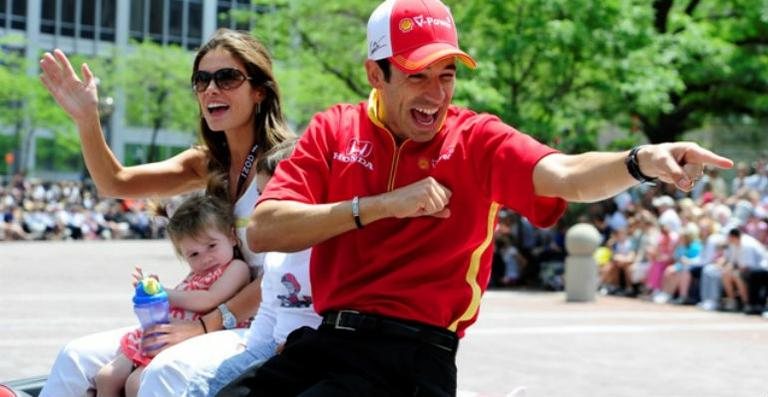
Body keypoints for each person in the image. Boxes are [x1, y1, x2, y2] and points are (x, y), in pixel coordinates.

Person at [218, 0, 733, 395]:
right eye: (418, 75)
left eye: (448, 75)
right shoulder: (335, 128)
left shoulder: (478, 138)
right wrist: (381, 205)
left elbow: (568, 174)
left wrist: (638, 161)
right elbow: (266, 229)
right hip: (327, 341)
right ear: (376, 73)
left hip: (413, 356)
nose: (437, 94)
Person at [38, 28, 295, 396]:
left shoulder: (289, 163)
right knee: (76, 356)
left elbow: (281, 274)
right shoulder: (208, 163)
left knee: (162, 374)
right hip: (205, 318)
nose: (211, 89)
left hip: (259, 323)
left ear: (260, 91)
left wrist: (207, 325)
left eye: (227, 77)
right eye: (202, 80)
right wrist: (87, 119)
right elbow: (115, 182)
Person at [176, 138, 322, 397]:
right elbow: (268, 313)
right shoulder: (276, 252)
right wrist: (248, 357)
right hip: (269, 347)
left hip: (308, 354)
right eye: (261, 194)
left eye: (275, 193)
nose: (263, 204)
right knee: (200, 384)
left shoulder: (327, 247)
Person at [95, 183, 251, 397]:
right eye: (193, 255)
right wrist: (150, 295)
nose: (206, 258)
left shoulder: (237, 268)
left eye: (212, 246)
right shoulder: (196, 274)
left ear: (232, 237)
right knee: (106, 377)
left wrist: (165, 293)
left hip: (200, 334)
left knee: (136, 384)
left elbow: (209, 299)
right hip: (168, 334)